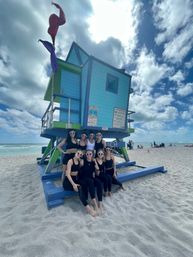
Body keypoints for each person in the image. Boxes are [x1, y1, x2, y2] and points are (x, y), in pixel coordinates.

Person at [63, 150, 97, 217]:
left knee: (84, 183)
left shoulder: (79, 162)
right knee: (79, 188)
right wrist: (73, 184)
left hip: (75, 179)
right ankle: (88, 208)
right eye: (78, 153)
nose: (79, 154)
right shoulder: (70, 161)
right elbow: (67, 174)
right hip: (68, 181)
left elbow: (87, 162)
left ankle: (87, 200)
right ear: (75, 153)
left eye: (80, 154)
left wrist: (94, 160)